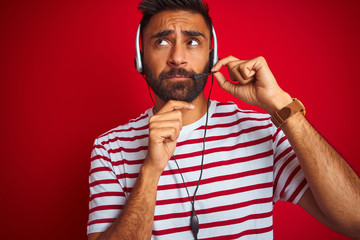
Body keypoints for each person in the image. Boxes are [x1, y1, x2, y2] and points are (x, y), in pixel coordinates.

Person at [87, 0, 360, 239]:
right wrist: (150, 170)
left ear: (212, 55)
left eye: (193, 41)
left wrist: (281, 105)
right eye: (162, 41)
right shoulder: (110, 149)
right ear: (140, 57)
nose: (178, 58)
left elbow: (355, 221)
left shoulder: (262, 130)